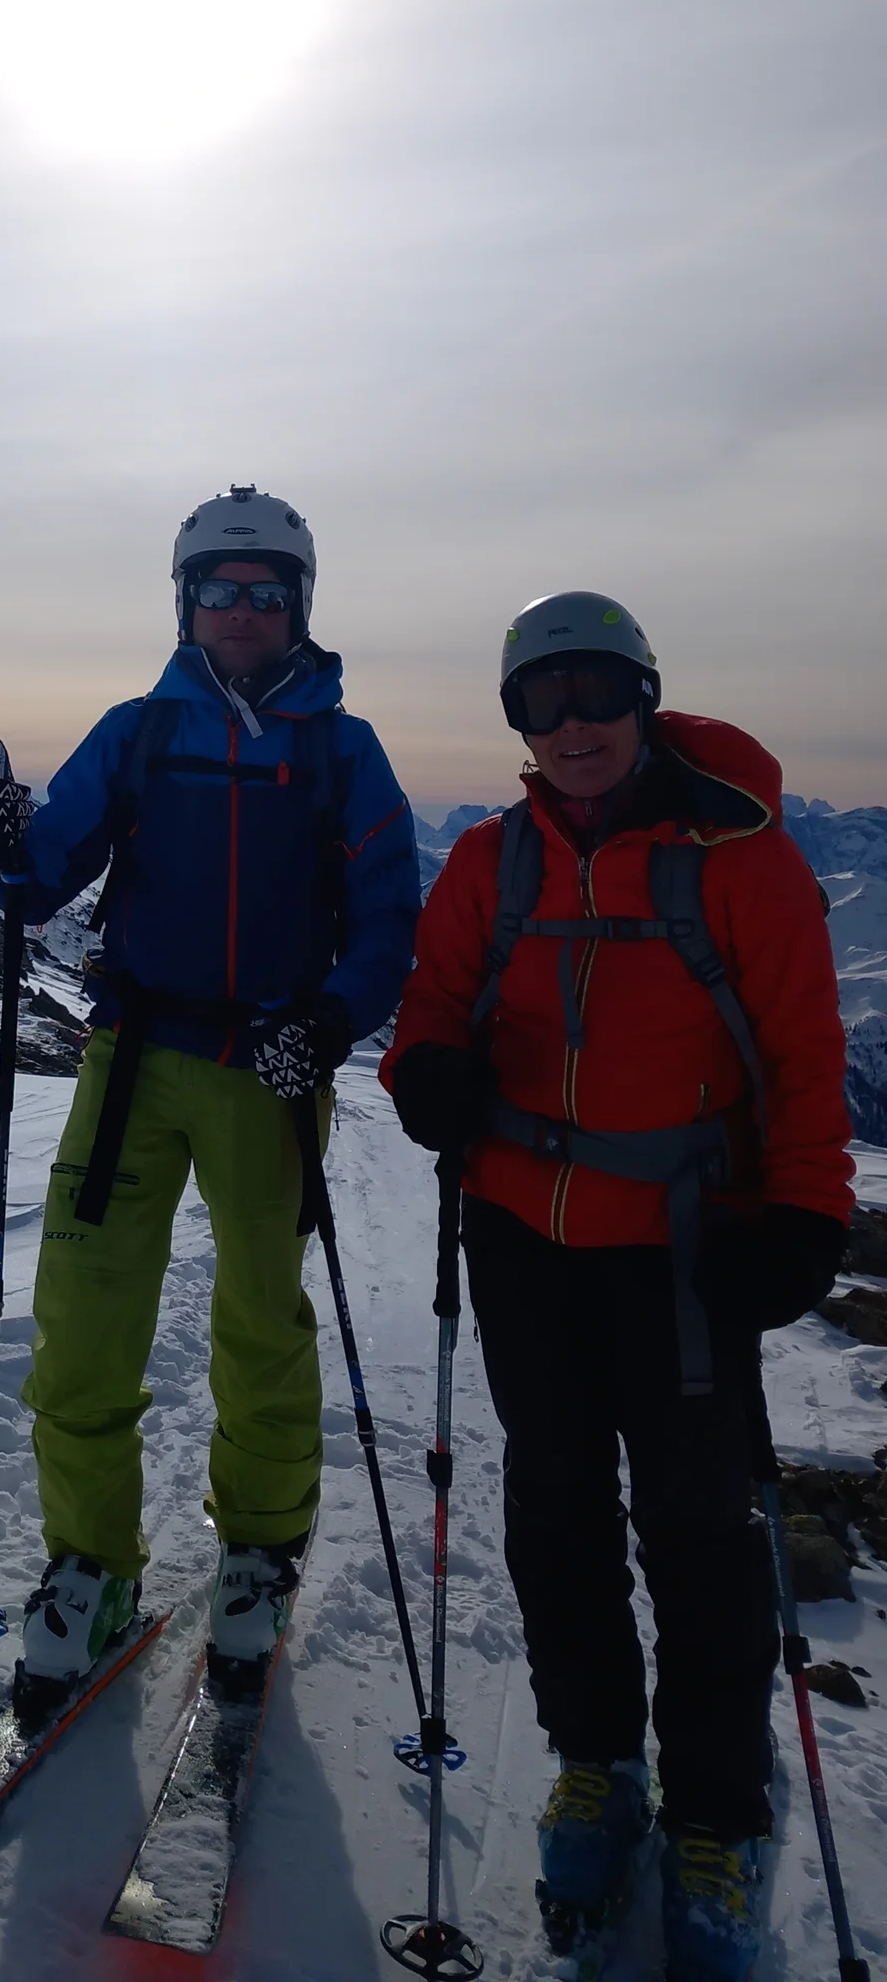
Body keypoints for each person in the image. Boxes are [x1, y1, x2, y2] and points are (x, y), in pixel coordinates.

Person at [381, 591, 853, 1982]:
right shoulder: (492, 860)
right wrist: (427, 1074)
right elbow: (433, 998)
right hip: (525, 1240)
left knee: (702, 1536)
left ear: (646, 697)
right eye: (543, 700)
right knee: (556, 1513)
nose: (574, 724)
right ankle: (598, 1765)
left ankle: (717, 1812)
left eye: (597, 692)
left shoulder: (741, 862)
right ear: (518, 723)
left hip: (689, 1252)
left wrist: (809, 1210)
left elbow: (804, 1052)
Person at [0, 486, 419, 1702]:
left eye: (267, 592)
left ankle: (261, 1550)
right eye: (221, 589)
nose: (244, 610)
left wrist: (326, 1021)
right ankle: (89, 1565)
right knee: (85, 1309)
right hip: (133, 1058)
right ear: (187, 604)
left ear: (299, 606)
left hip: (267, 1065)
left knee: (262, 1318)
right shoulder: (139, 732)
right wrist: (0, 841)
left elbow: (387, 919)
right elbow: (43, 878)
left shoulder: (342, 751)